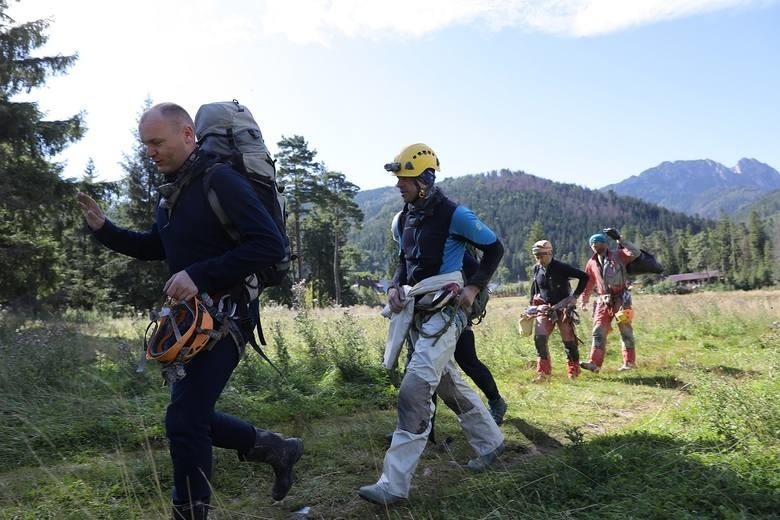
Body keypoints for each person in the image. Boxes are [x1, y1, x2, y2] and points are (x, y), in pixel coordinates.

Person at [76, 103, 303, 519]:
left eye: (157, 142)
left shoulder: (222, 181)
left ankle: (190, 512)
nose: (151, 152)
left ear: (187, 135)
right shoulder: (172, 194)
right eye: (145, 144)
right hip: (191, 323)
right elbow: (155, 246)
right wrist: (105, 230)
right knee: (189, 418)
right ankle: (277, 448)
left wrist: (200, 274)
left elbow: (271, 245)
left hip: (228, 319)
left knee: (184, 419)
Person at [359, 143, 505, 506]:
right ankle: (491, 442)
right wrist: (395, 287)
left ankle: (393, 484)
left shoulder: (457, 215)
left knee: (414, 389)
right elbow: (402, 262)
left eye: (404, 178)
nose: (398, 185)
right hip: (417, 311)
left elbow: (495, 248)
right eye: (397, 178)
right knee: (446, 383)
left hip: (448, 311)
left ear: (424, 180)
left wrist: (473, 286)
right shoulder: (401, 219)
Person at [579, 229, 640, 373]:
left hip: (621, 299)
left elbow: (635, 252)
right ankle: (594, 364)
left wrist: (620, 239)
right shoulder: (591, 263)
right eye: (592, 243)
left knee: (626, 331)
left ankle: (629, 363)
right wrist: (584, 299)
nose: (595, 245)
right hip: (602, 301)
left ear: (606, 244)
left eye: (598, 242)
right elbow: (588, 282)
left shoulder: (619, 255)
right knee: (598, 331)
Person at [528, 239, 589, 381]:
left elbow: (584, 277)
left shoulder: (561, 267)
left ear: (550, 253)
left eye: (542, 256)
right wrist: (533, 306)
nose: (539, 259)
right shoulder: (536, 269)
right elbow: (535, 289)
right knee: (539, 339)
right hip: (544, 309)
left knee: (568, 341)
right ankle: (543, 374)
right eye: (536, 256)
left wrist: (575, 296)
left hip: (563, 308)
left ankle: (573, 372)